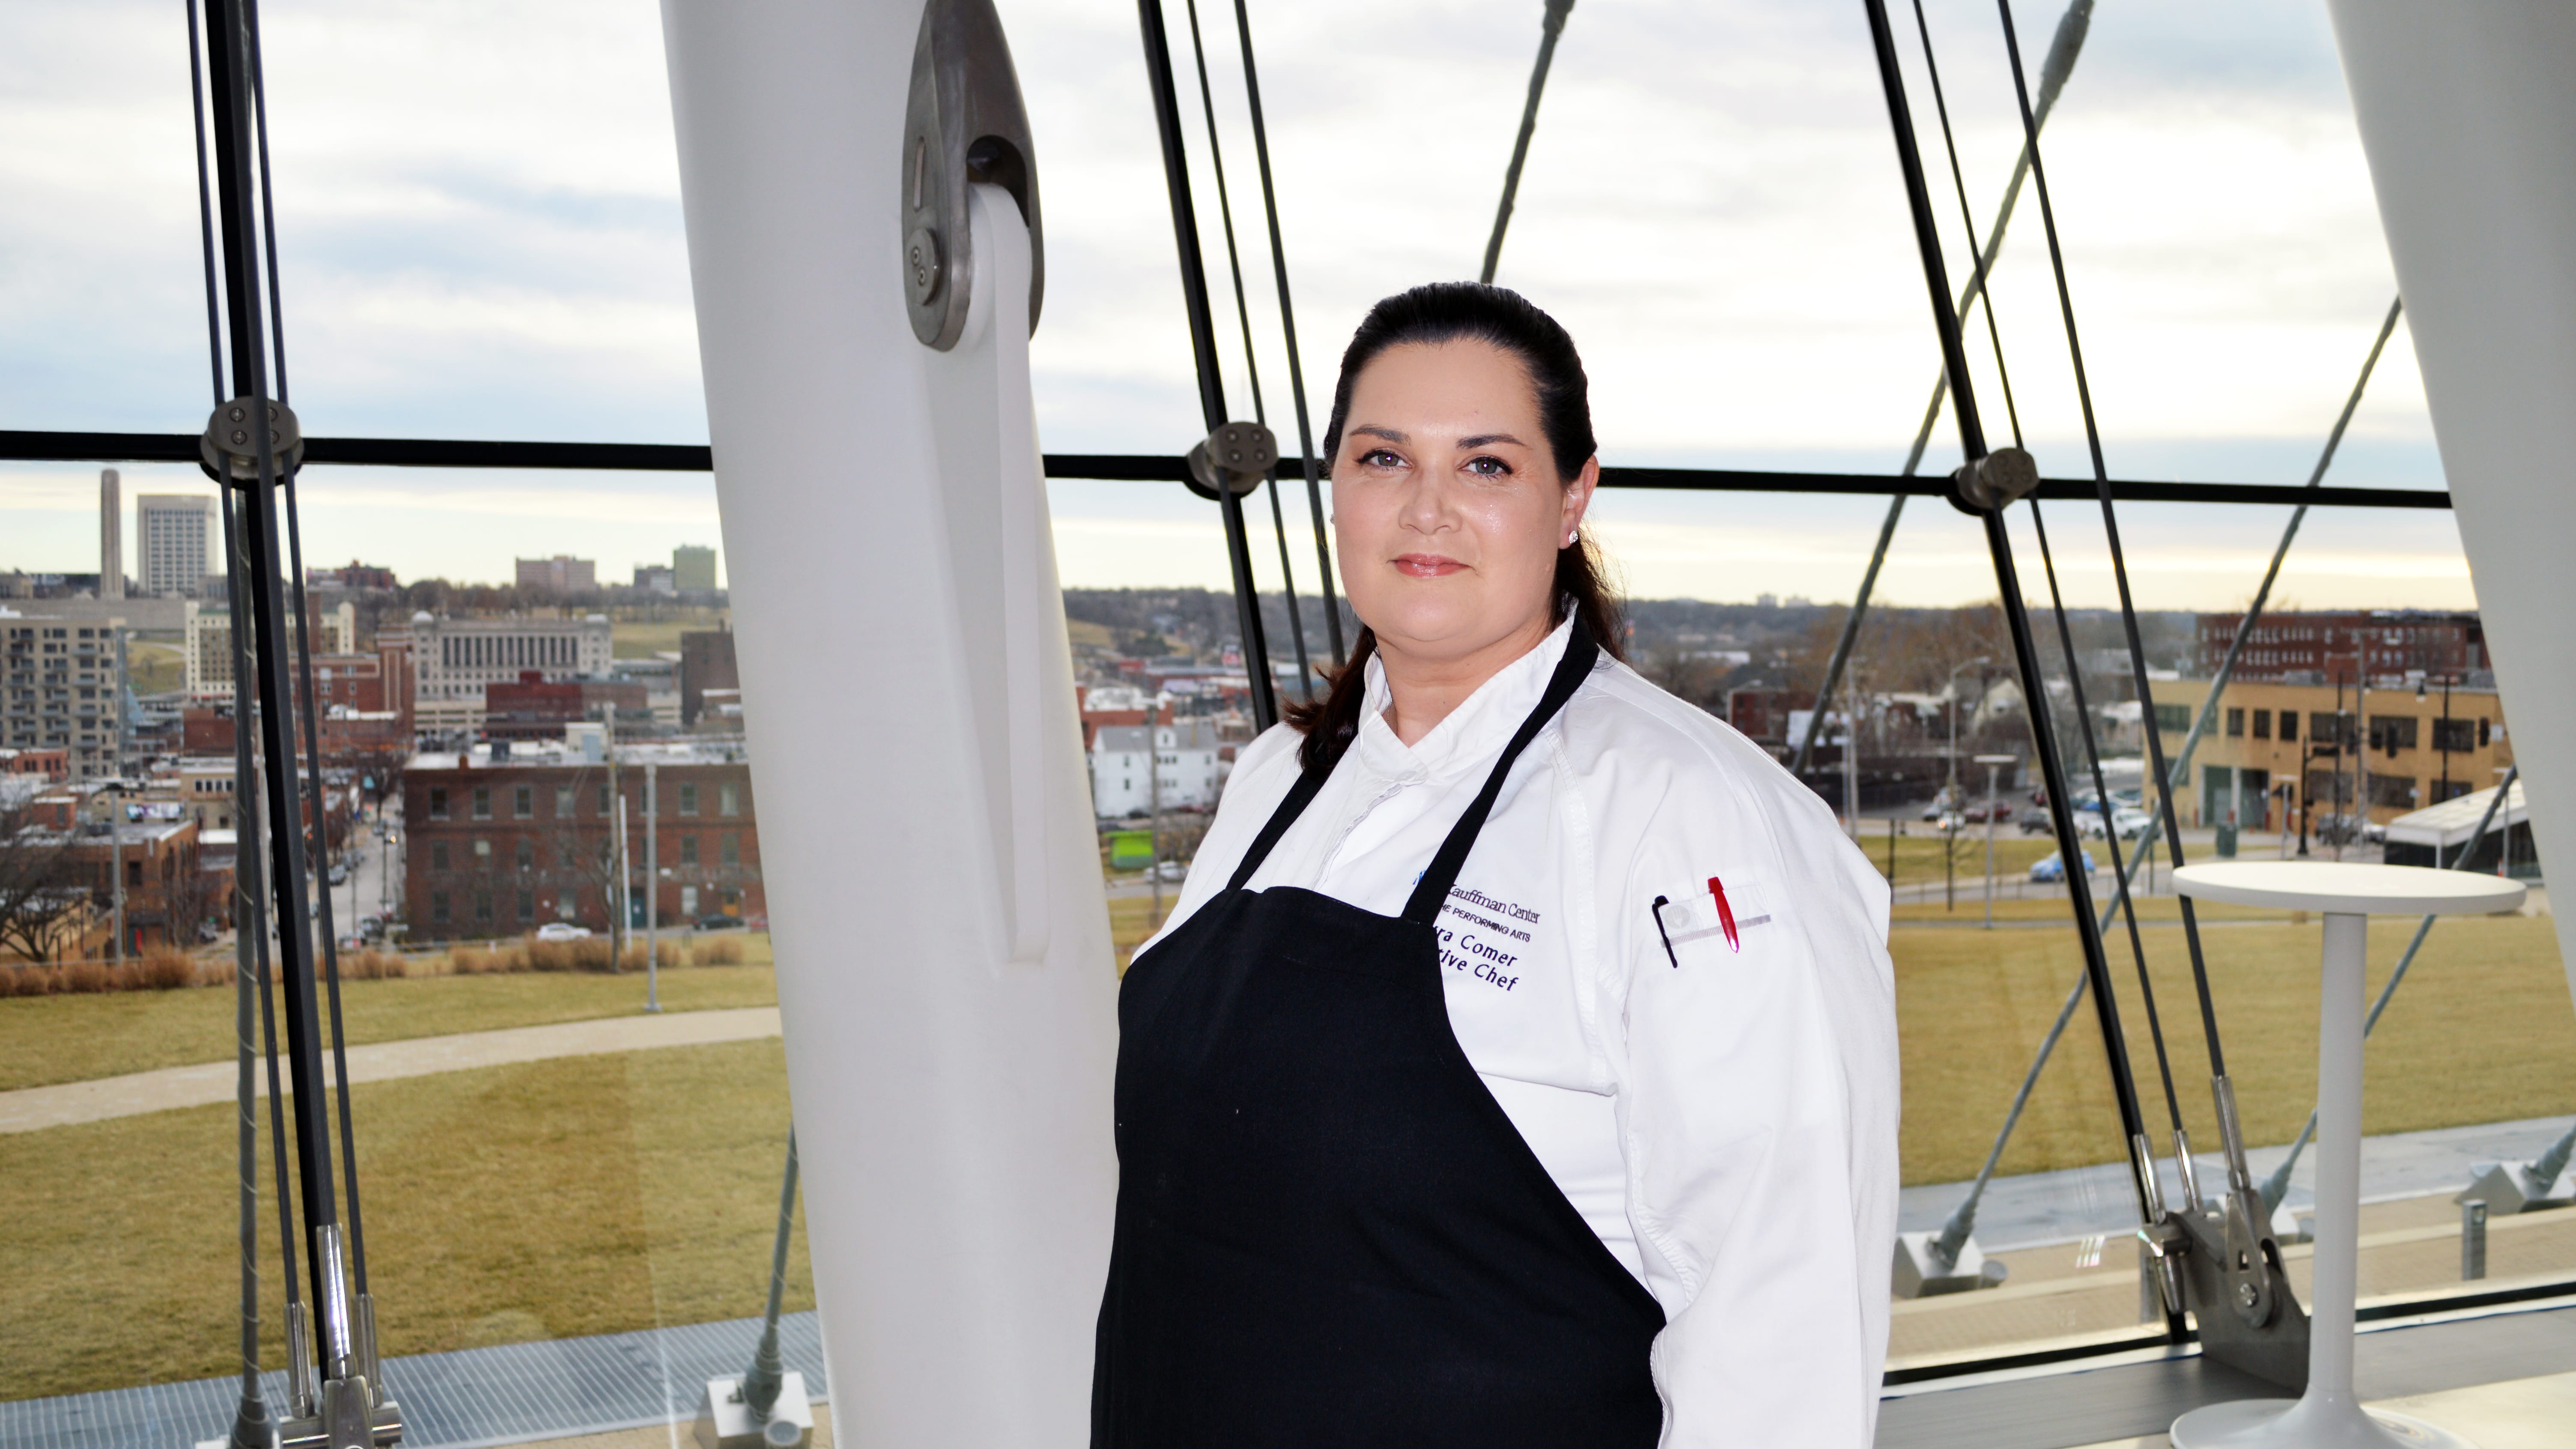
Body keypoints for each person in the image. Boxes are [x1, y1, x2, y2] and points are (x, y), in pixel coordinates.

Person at [1092, 283, 1898, 1447]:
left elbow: (1782, 1337)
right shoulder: (1279, 780)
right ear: (1336, 493)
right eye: (1382, 459)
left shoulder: (1693, 821)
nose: (1425, 509)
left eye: (1485, 466)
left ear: (1573, 499)